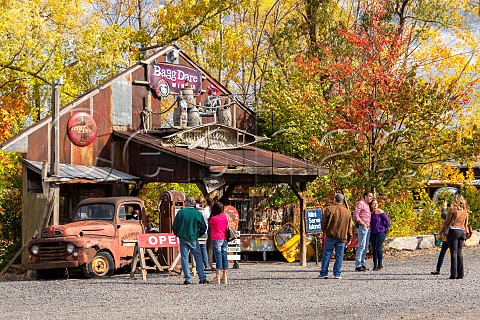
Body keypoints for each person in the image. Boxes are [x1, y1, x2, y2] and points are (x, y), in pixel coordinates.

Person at [172, 195, 209, 285]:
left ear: (186, 202)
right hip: (193, 238)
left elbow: (174, 225)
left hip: (183, 237)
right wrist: (198, 234)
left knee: (184, 257)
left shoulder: (181, 212)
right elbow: (203, 227)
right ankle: (202, 277)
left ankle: (187, 278)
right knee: (198, 257)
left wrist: (177, 233)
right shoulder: (197, 213)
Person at [319, 193, 354, 279]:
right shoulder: (347, 212)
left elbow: (323, 222)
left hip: (330, 235)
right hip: (342, 236)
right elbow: (350, 226)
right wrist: (350, 237)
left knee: (327, 254)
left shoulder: (329, 209)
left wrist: (324, 230)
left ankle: (324, 273)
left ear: (335, 199)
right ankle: (337, 273)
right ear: (342, 201)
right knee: (339, 255)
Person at [439, 194, 469, 279]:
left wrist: (440, 232)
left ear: (455, 200)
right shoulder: (465, 210)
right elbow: (466, 223)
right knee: (459, 252)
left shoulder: (452, 209)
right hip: (462, 231)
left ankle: (453, 274)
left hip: (453, 231)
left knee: (453, 253)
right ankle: (461, 274)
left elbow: (446, 222)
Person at [208, 201, 229, 284]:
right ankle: (224, 276)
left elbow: (209, 223)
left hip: (217, 238)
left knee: (218, 257)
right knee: (224, 256)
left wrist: (211, 214)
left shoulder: (213, 218)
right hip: (224, 238)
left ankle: (217, 276)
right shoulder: (224, 217)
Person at [353, 191, 373, 271]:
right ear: (365, 196)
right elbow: (356, 214)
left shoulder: (368, 205)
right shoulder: (360, 203)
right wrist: (362, 223)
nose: (370, 198)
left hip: (368, 227)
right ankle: (358, 264)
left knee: (365, 246)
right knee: (361, 246)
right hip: (362, 227)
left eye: (371, 196)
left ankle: (362, 263)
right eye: (369, 196)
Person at [369, 199, 390, 271]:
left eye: (376, 203)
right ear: (371, 205)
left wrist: (386, 227)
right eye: (374, 204)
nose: (375, 205)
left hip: (381, 231)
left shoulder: (380, 212)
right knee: (374, 248)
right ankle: (375, 265)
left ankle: (380, 264)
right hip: (373, 232)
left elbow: (387, 221)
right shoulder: (370, 213)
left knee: (378, 247)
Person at [431, 201, 449, 275]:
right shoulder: (463, 211)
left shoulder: (451, 213)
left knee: (443, 251)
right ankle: (458, 270)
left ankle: (438, 269)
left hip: (448, 234)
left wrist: (444, 208)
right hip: (459, 234)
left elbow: (443, 215)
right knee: (457, 253)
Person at [199, 198, 212, 271]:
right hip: (206, 230)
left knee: (200, 248)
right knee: (203, 248)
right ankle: (206, 264)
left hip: (202, 230)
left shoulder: (205, 211)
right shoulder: (210, 210)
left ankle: (200, 265)